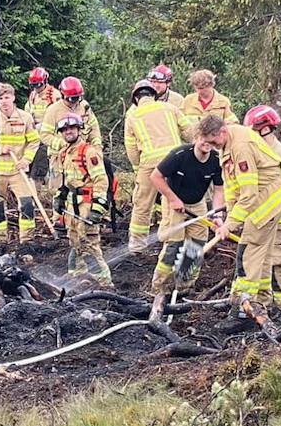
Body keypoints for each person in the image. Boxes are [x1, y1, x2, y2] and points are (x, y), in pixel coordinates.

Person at [209, 106, 281, 326]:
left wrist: (233, 222)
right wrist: (231, 215)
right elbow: (235, 186)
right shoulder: (241, 146)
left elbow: (272, 190)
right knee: (263, 261)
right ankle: (261, 301)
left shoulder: (274, 152)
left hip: (274, 213)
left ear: (266, 128)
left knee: (267, 259)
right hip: (259, 210)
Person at [148, 115, 229, 319]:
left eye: (209, 141)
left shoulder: (215, 161)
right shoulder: (179, 154)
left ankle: (183, 287)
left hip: (198, 203)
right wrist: (173, 199)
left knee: (196, 245)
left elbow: (219, 189)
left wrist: (217, 215)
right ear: (196, 138)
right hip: (173, 201)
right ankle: (160, 288)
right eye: (202, 139)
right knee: (173, 245)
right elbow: (155, 177)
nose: (206, 144)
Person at [123, 80, 190, 250]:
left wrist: (137, 168)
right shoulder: (170, 108)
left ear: (136, 98)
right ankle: (169, 239)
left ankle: (137, 244)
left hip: (150, 164)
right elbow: (190, 132)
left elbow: (131, 149)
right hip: (176, 161)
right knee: (173, 201)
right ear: (154, 95)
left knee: (142, 203)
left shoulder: (133, 116)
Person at [52, 115, 111, 285]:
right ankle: (77, 278)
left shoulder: (89, 151)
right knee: (75, 240)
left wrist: (97, 208)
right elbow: (65, 181)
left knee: (89, 243)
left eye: (72, 128)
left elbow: (101, 180)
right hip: (72, 205)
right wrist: (59, 199)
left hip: (87, 202)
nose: (68, 131)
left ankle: (104, 283)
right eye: (64, 130)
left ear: (79, 129)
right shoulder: (63, 154)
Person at [0, 82, 40, 245]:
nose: (4, 101)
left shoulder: (25, 118)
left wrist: (26, 159)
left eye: (7, 97)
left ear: (13, 97)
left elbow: (34, 141)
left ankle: (27, 241)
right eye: (0, 98)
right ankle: (0, 242)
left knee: (27, 204)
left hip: (18, 171)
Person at [38, 76, 104, 156]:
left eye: (77, 98)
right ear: (63, 96)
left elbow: (94, 129)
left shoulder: (84, 106)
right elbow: (45, 135)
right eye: (71, 99)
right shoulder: (53, 110)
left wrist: (97, 147)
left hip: (83, 153)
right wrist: (62, 144)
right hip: (59, 156)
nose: (75, 102)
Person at [24, 67, 59, 204]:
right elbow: (28, 112)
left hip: (47, 138)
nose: (37, 88)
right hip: (34, 136)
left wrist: (43, 126)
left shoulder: (53, 95)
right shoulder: (33, 96)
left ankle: (35, 200)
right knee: (29, 168)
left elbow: (58, 115)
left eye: (38, 85)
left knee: (38, 170)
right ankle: (28, 197)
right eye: (34, 85)